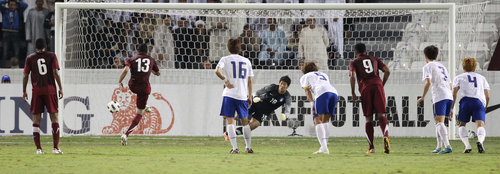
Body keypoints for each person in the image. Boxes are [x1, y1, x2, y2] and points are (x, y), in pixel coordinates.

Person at [22, 38, 63, 154]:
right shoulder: (52, 56)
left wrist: (24, 90)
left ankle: (38, 149)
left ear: (35, 47)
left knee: (36, 119)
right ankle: (55, 148)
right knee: (54, 117)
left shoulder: (29, 58)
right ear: (46, 46)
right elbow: (55, 72)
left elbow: (25, 75)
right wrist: (60, 87)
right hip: (50, 90)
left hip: (37, 91)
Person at [349, 43, 391, 154]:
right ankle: (385, 136)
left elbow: (353, 76)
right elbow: (387, 71)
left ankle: (371, 148)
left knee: (369, 118)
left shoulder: (354, 62)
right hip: (378, 86)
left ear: (355, 52)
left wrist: (353, 92)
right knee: (381, 115)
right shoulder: (375, 59)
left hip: (365, 88)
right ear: (366, 51)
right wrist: (382, 84)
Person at [215, 38, 254, 154]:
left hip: (229, 95)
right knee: (245, 122)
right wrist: (250, 96)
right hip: (242, 95)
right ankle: (248, 147)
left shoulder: (225, 59)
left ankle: (235, 148)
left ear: (228, 48)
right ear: (240, 48)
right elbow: (250, 80)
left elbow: (217, 71)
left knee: (230, 122)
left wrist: (225, 80)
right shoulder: (246, 61)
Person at [223, 76, 292, 139]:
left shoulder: (287, 97)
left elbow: (288, 108)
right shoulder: (272, 87)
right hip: (256, 104)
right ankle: (229, 113)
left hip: (264, 112)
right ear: (279, 83)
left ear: (287, 86)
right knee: (237, 117)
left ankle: (229, 134)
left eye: (284, 84)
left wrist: (285, 115)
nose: (282, 86)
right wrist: (255, 97)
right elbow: (257, 92)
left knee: (252, 126)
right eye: (281, 83)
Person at [119, 44, 161, 145]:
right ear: (147, 52)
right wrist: (150, 70)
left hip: (133, 86)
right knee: (139, 113)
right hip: (144, 89)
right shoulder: (151, 60)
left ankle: (143, 105)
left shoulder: (131, 59)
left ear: (137, 51)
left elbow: (126, 70)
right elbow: (158, 73)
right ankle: (126, 135)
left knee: (138, 94)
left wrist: (120, 81)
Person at [416, 45, 453, 154]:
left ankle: (447, 146)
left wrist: (423, 97)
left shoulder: (427, 66)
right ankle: (438, 146)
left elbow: (428, 82)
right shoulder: (442, 66)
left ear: (425, 55)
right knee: (438, 121)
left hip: (440, 94)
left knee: (439, 122)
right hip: (448, 94)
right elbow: (450, 84)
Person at [451, 58, 490, 153]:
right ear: (475, 67)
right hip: (479, 102)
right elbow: (488, 96)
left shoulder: (459, 77)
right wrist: (485, 107)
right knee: (480, 125)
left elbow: (454, 94)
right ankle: (480, 142)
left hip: (466, 101)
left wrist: (451, 108)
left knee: (461, 124)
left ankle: (467, 146)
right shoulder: (482, 78)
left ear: (463, 67)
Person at [300, 62, 338, 154]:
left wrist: (312, 104)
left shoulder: (305, 77)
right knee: (325, 120)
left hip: (322, 92)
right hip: (334, 93)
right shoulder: (323, 74)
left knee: (317, 119)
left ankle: (324, 148)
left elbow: (307, 91)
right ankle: (323, 147)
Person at [0, 0, 28, 66]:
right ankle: (5, 67)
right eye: (11, 5)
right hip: (6, 32)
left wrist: (17, 1)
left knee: (17, 52)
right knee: (5, 52)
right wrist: (6, 0)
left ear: (16, 6)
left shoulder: (18, 11)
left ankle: (16, 66)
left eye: (14, 5)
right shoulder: (4, 10)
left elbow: (25, 5)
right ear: (8, 5)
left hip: (16, 33)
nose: (12, 6)